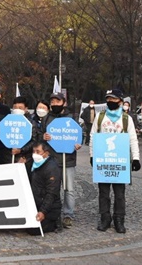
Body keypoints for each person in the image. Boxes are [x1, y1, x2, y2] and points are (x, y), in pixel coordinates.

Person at [90, 89, 141, 233]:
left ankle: (119, 218)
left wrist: (135, 158)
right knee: (103, 192)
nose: (110, 102)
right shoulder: (100, 117)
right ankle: (105, 218)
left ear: (120, 101)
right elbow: (93, 136)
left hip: (120, 161)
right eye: (108, 99)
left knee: (120, 193)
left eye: (113, 99)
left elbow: (132, 139)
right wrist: (92, 155)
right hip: (103, 160)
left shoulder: (126, 119)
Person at [39, 92, 81, 229]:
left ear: (64, 102)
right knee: (51, 189)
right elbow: (40, 136)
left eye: (58, 101)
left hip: (68, 159)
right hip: (51, 160)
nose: (55, 104)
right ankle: (52, 214)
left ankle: (68, 214)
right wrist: (43, 137)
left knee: (69, 189)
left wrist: (78, 144)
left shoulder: (72, 117)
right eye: (53, 102)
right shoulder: (46, 118)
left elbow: (80, 134)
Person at [26, 141, 62, 236]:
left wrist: (43, 211)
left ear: (46, 153)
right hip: (35, 203)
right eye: (34, 152)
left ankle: (55, 223)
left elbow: (52, 193)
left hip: (50, 207)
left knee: (33, 231)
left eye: (38, 152)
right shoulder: (33, 164)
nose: (35, 154)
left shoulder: (52, 168)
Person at [0, 96, 37, 164]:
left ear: (26, 109)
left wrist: (21, 150)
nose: (17, 109)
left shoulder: (31, 123)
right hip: (5, 158)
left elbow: (33, 141)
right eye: (15, 107)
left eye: (20, 108)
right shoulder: (6, 121)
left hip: (23, 158)